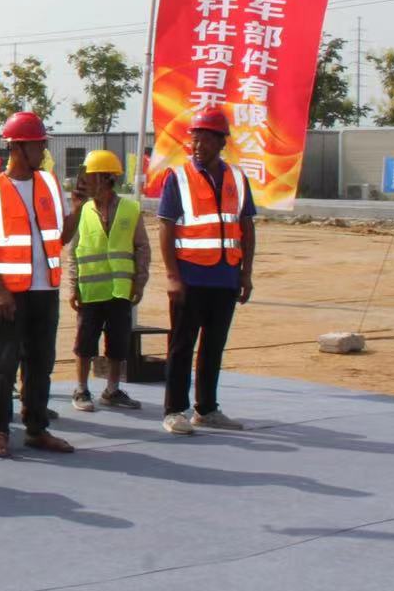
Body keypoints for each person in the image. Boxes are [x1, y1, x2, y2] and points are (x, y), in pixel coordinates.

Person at [0, 112, 80, 459]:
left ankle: (36, 429)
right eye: (38, 144)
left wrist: (78, 208)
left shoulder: (50, 183)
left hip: (45, 291)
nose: (43, 150)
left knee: (40, 363)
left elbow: (62, 237)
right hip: (10, 293)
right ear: (17, 147)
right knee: (2, 364)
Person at [157, 109, 256, 433]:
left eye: (205, 139)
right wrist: (173, 276)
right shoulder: (178, 177)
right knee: (181, 345)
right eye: (195, 139)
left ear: (221, 142)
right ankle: (174, 410)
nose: (198, 145)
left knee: (213, 346)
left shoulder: (237, 178)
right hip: (190, 278)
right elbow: (166, 227)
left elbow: (246, 226)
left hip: (225, 277)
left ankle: (207, 408)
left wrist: (246, 273)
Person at [66, 149, 149, 415]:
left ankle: (112, 390)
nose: (84, 181)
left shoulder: (130, 209)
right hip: (90, 290)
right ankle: (81, 389)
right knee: (85, 343)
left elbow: (141, 247)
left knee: (118, 343)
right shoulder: (82, 210)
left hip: (120, 290)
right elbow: (73, 251)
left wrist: (139, 281)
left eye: (89, 176)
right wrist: (73, 286)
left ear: (105, 178)